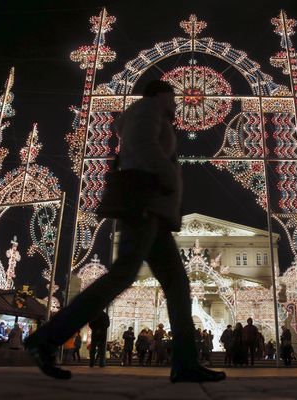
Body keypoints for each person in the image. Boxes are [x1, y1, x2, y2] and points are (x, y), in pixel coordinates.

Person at [24, 80, 225, 383]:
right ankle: (47, 338)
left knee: (178, 285)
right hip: (143, 206)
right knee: (124, 275)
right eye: (174, 95)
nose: (177, 102)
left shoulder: (151, 114)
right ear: (161, 94)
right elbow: (143, 148)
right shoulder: (148, 110)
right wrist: (169, 175)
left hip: (153, 211)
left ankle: (185, 363)